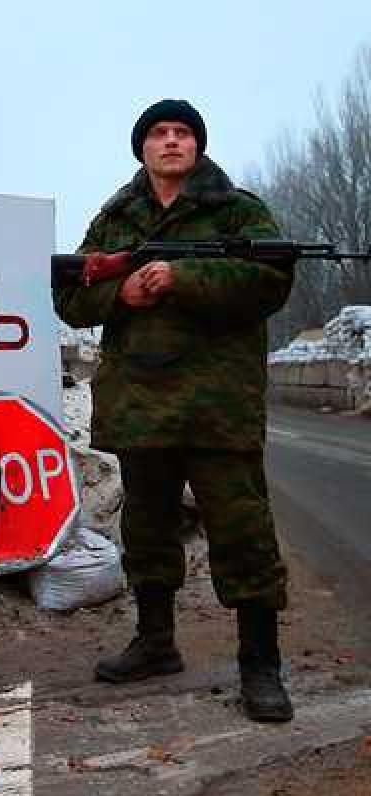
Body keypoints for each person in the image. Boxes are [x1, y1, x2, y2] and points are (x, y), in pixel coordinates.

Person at [54, 99, 295, 723]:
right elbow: (69, 295)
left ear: (198, 146)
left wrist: (184, 280)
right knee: (147, 531)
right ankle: (156, 643)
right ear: (142, 148)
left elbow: (271, 282)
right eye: (158, 134)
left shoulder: (238, 210)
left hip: (219, 408)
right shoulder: (116, 218)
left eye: (182, 133)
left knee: (244, 533)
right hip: (142, 407)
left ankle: (260, 664)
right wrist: (124, 293)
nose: (170, 142)